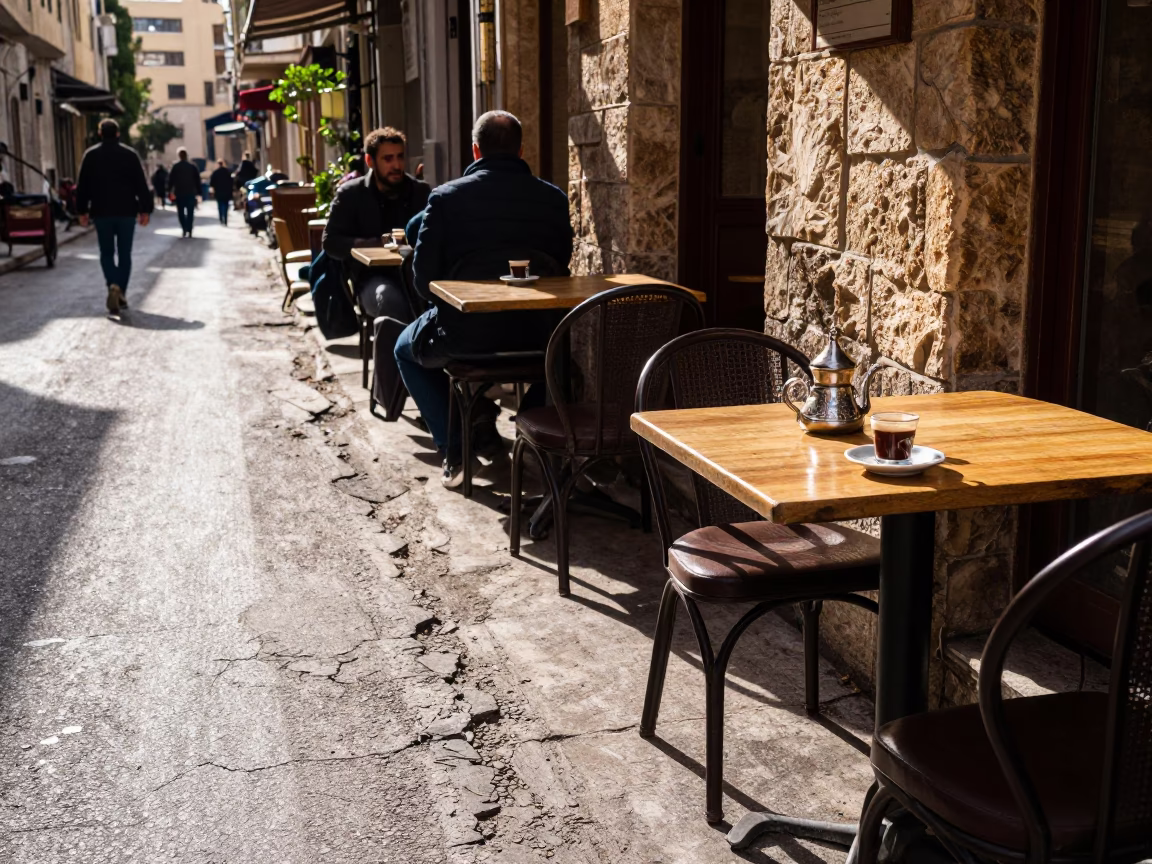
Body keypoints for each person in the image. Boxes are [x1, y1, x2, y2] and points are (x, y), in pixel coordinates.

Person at [395, 110, 573, 487]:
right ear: (521, 150)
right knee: (565, 368)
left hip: (465, 339)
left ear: (475, 151)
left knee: (401, 348)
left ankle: (455, 449)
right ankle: (532, 436)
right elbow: (562, 267)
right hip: (541, 338)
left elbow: (424, 279)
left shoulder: (445, 199)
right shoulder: (553, 199)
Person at [322, 127, 430, 319]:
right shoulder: (351, 194)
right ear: (370, 161)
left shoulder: (420, 192)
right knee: (388, 301)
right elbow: (331, 242)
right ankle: (397, 349)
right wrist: (370, 244)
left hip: (416, 274)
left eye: (400, 157)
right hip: (372, 276)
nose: (396, 165)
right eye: (388, 159)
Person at [74, 118, 153, 315]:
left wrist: (81, 211)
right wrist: (145, 210)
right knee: (125, 253)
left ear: (100, 133)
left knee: (106, 253)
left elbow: (82, 186)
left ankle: (112, 284)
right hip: (126, 211)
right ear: (118, 134)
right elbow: (141, 185)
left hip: (102, 211)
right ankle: (121, 290)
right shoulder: (130, 155)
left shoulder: (90, 155)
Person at [169, 148, 200, 238]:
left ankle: (184, 228)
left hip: (179, 192)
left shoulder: (175, 167)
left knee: (181, 212)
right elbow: (197, 180)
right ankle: (189, 229)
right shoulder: (192, 166)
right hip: (190, 192)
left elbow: (171, 180)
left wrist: (169, 190)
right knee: (190, 212)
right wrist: (199, 192)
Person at [209, 159, 233, 225]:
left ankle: (221, 219)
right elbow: (231, 182)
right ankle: (225, 219)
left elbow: (211, 183)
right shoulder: (228, 172)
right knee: (226, 206)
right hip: (226, 191)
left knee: (220, 206)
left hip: (218, 191)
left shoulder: (215, 172)